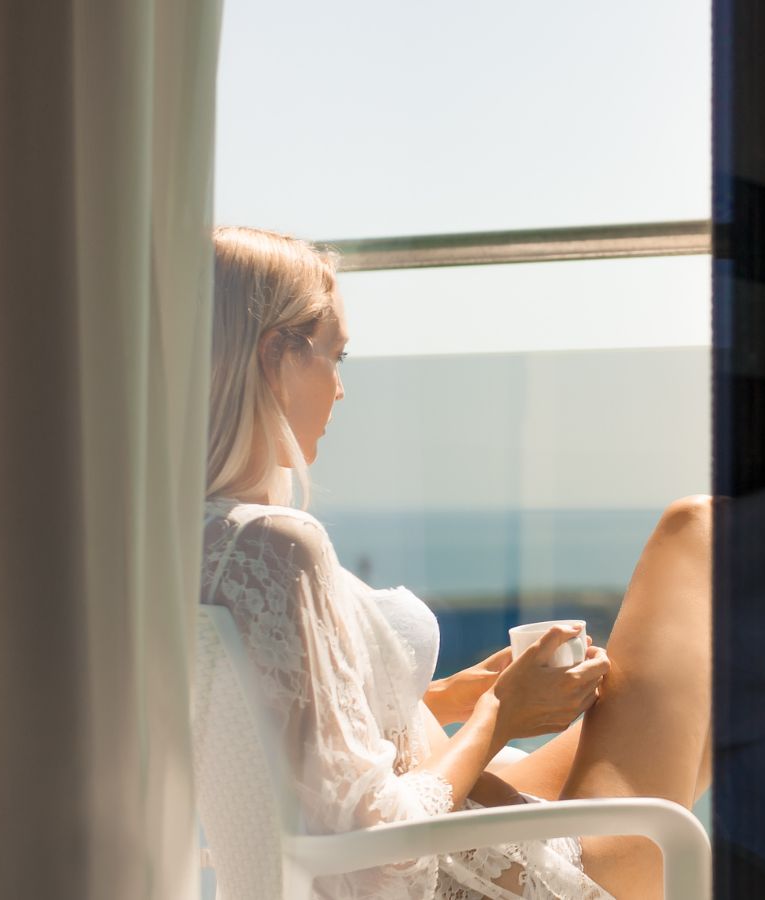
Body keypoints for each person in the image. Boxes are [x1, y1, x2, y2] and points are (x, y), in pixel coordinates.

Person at [200, 226, 712, 900]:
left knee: (734, 668)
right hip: (484, 875)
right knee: (701, 531)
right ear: (276, 357)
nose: (342, 390)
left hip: (468, 831)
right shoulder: (278, 545)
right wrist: (502, 712)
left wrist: (454, 696)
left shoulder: (190, 542)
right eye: (335, 356)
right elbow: (376, 847)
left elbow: (302, 747)